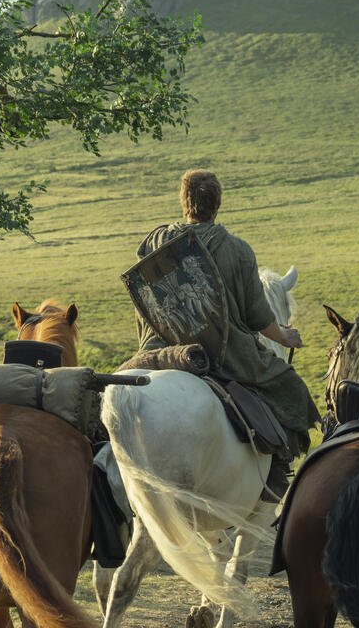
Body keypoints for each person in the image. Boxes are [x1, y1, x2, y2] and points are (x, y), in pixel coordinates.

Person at [128, 169, 320, 487]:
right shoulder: (237, 251)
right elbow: (258, 318)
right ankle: (276, 476)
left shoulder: (157, 242)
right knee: (291, 389)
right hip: (225, 354)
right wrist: (285, 336)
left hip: (161, 350)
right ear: (217, 204)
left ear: (183, 202)